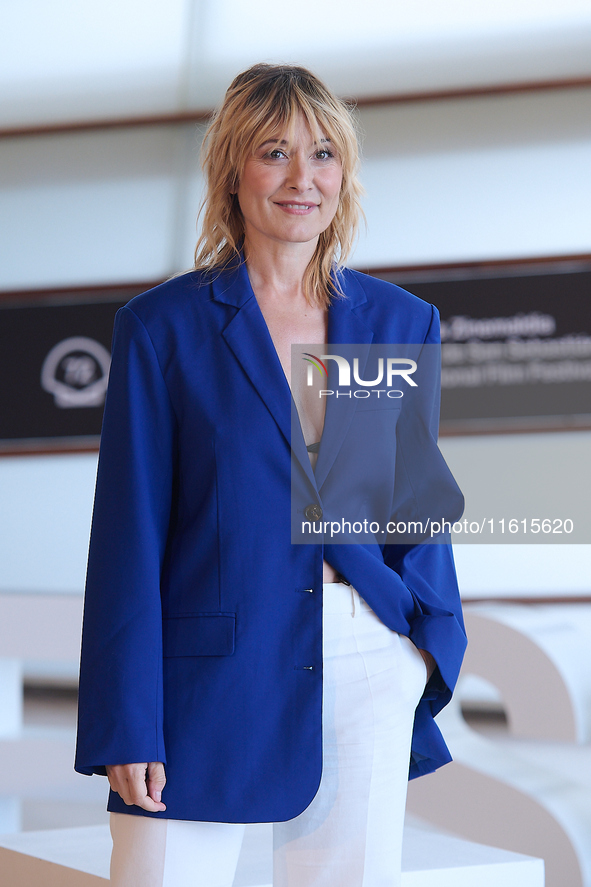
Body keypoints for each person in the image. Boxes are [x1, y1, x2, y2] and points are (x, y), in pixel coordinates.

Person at [75, 63, 466, 887]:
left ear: (344, 175)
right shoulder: (163, 329)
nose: (303, 178)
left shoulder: (396, 322)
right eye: (274, 152)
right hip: (205, 673)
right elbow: (128, 535)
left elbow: (411, 503)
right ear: (232, 170)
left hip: (367, 656)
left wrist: (426, 641)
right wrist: (125, 721)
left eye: (323, 154)